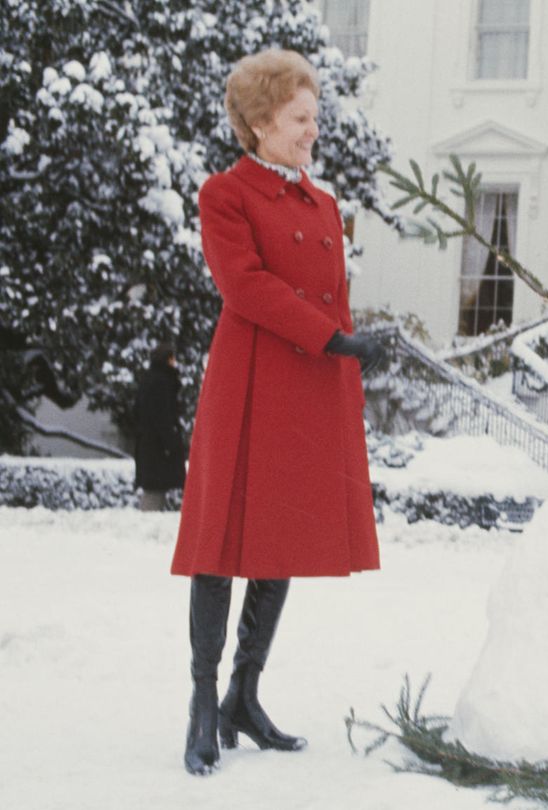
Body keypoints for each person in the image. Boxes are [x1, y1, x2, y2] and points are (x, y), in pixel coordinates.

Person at [170, 49, 386, 777]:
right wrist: (334, 339)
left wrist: (350, 353)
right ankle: (203, 704)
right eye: (300, 118)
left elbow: (330, 293)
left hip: (309, 383)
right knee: (222, 539)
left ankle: (244, 695)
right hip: (253, 379)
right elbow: (245, 286)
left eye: (314, 116)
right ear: (261, 122)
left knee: (281, 535)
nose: (312, 130)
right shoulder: (225, 195)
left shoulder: (321, 203)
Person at [133, 342, 186, 510]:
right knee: (155, 492)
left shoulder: (149, 379)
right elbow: (163, 417)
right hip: (159, 449)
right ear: (168, 359)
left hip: (150, 446)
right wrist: (172, 443)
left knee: (154, 489)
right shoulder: (162, 382)